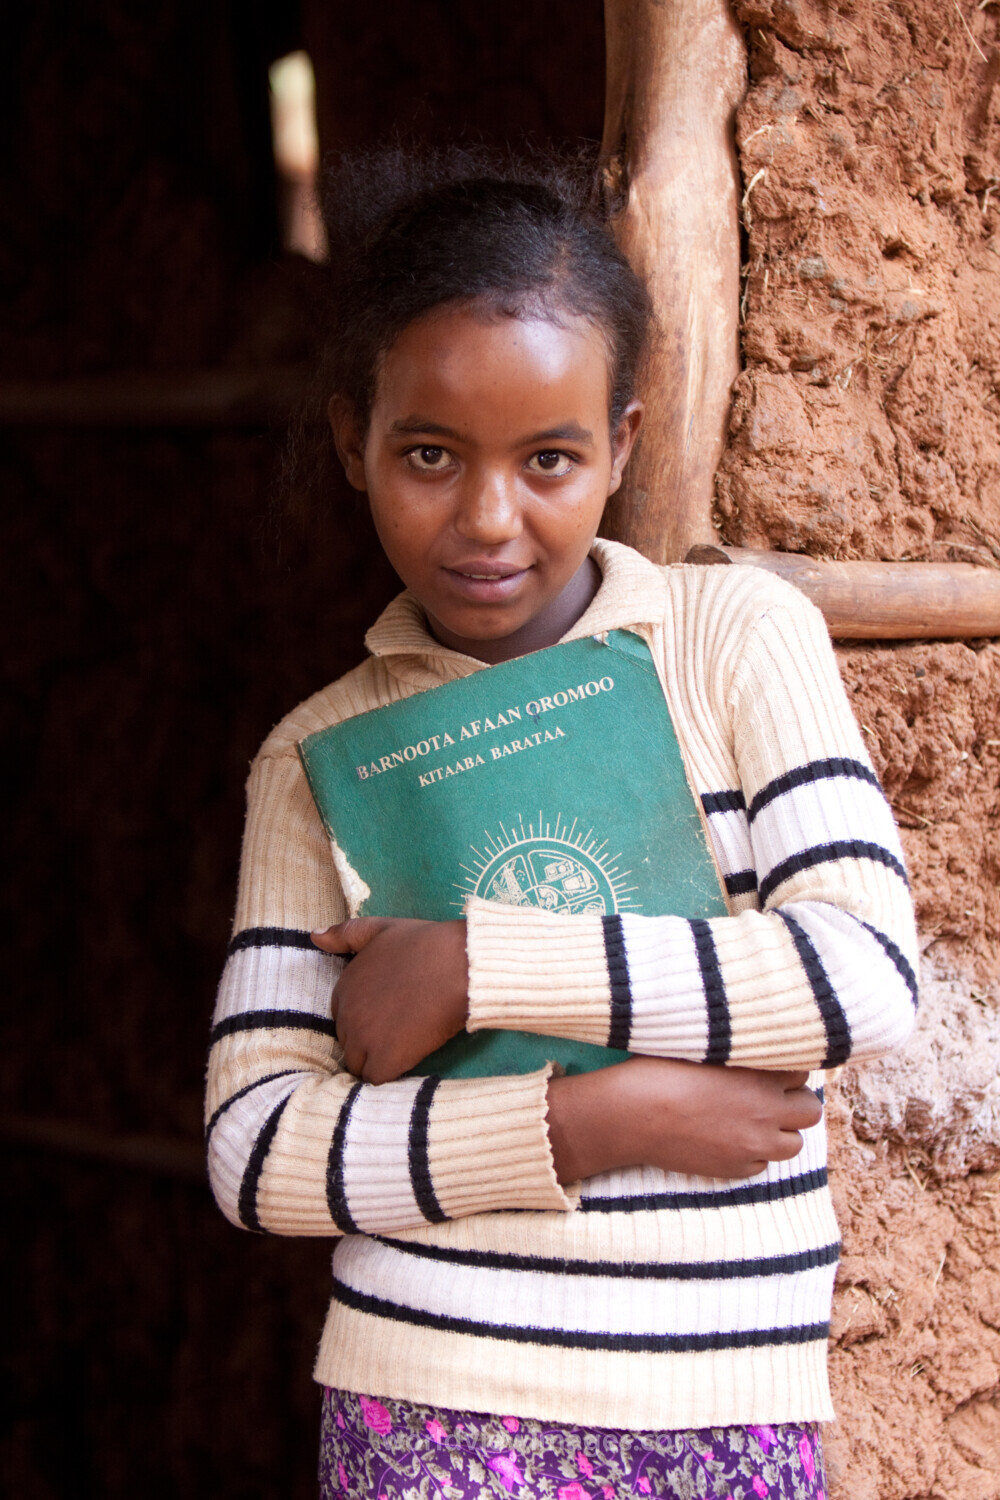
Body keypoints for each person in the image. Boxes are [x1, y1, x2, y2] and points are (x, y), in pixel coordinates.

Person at [205, 148, 918, 1500]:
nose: (488, 519)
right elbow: (259, 1151)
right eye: (428, 454)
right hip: (430, 1411)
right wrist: (603, 1118)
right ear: (353, 437)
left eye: (550, 459)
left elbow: (864, 978)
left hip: (728, 1409)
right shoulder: (314, 759)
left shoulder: (732, 641)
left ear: (625, 444)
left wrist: (477, 964)